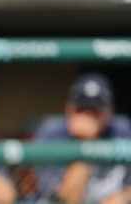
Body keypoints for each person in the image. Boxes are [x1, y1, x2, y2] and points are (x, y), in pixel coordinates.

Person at [34, 73, 131, 204]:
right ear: (68, 109)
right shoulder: (52, 132)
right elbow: (66, 200)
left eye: (95, 111)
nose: (88, 117)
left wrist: (123, 197)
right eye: (82, 109)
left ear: (109, 112)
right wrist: (86, 143)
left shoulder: (122, 130)